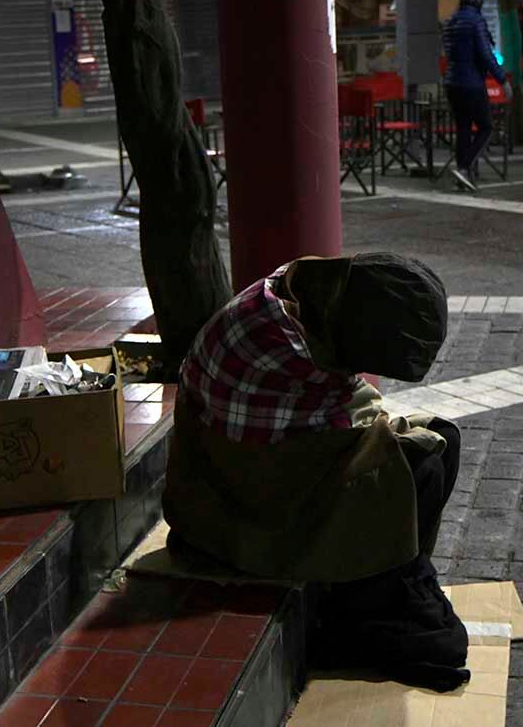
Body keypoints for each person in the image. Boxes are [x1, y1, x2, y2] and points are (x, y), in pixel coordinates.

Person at [164, 253, 471, 692]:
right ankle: (371, 600)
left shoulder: (303, 291)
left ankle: (394, 584)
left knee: (441, 440)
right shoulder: (283, 340)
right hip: (236, 510)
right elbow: (344, 419)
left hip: (253, 469)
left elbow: (345, 409)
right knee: (420, 459)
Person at [443, 0, 512, 192]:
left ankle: (461, 174)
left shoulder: (451, 21)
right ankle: (463, 169)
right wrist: (503, 81)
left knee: (463, 128)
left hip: (452, 82)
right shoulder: (475, 21)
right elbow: (485, 54)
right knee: (486, 127)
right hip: (472, 83)